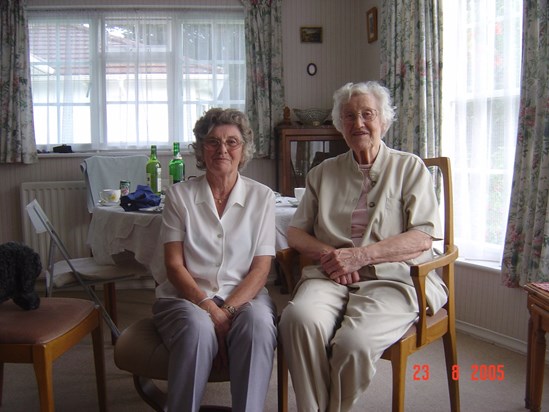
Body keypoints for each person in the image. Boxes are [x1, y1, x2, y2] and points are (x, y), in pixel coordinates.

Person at [278, 81, 448, 412]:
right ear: (340, 126)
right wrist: (332, 257)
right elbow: (296, 233)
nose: (358, 124)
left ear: (383, 120)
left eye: (367, 114)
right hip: (329, 275)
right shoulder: (322, 172)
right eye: (349, 117)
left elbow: (423, 236)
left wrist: (360, 256)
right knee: (297, 319)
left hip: (395, 277)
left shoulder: (408, 167)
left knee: (353, 344)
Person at [153, 108, 277, 412]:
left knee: (258, 324)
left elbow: (261, 268)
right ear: (200, 149)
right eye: (212, 142)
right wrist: (210, 308)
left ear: (244, 149)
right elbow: (173, 265)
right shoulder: (179, 196)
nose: (222, 149)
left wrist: (229, 310)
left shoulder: (262, 197)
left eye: (232, 142)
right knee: (197, 328)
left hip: (245, 296)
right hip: (187, 298)